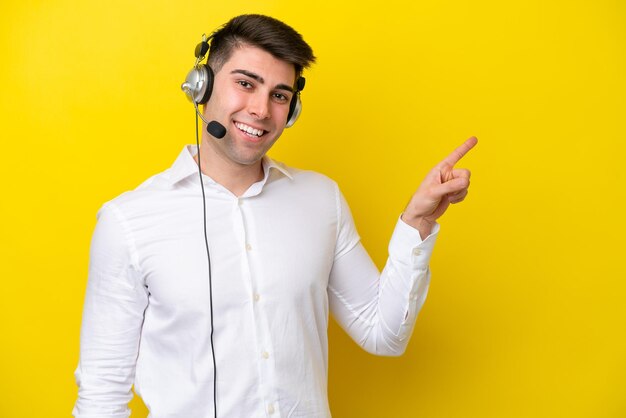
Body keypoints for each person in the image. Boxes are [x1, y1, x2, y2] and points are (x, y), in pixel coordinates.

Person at [73, 14, 476, 418]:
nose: (262, 109)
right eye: (245, 84)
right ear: (202, 86)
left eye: (280, 95)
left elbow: (383, 334)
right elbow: (101, 396)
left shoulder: (321, 200)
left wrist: (417, 222)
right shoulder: (127, 221)